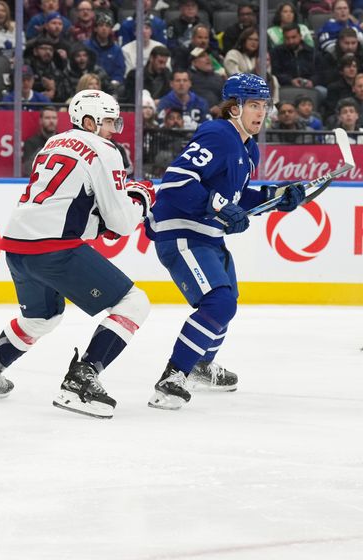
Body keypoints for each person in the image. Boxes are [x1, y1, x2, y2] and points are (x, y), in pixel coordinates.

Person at [0, 90, 155, 419]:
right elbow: (122, 223)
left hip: (17, 247)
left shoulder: (52, 143)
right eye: (108, 121)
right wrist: (140, 199)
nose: (113, 129)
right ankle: (82, 378)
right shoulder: (105, 150)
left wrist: (104, 223)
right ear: (90, 121)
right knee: (135, 303)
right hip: (53, 250)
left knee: (41, 317)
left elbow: (68, 209)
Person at [144, 74, 307, 410]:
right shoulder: (218, 134)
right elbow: (176, 180)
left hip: (208, 236)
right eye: (253, 105)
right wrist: (219, 206)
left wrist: (276, 197)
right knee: (218, 303)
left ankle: (201, 364)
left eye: (264, 105)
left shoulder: (249, 149)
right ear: (234, 108)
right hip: (183, 232)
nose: (261, 112)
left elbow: (236, 195)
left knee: (227, 302)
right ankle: (173, 377)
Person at [21, 106, 59, 176]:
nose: (51, 121)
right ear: (40, 120)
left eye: (54, 118)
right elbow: (28, 169)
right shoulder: (31, 142)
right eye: (47, 118)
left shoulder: (62, 141)